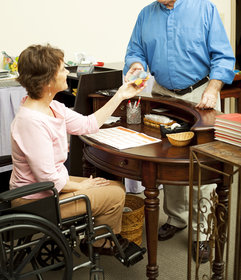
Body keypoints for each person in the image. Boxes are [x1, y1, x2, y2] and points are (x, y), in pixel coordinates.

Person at [124, 0, 235, 263]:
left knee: (200, 164)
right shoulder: (145, 16)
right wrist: (136, 64)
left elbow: (223, 57)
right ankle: (176, 217)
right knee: (169, 160)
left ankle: (201, 232)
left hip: (200, 95)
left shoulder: (205, 9)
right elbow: (135, 50)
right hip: (162, 96)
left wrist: (213, 89)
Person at [10, 44, 146, 256]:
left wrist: (120, 95)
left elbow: (87, 125)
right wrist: (81, 188)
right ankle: (100, 244)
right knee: (116, 193)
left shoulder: (52, 107)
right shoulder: (31, 122)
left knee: (111, 185)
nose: (67, 72)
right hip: (38, 202)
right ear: (47, 81)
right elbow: (49, 179)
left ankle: (99, 238)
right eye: (62, 69)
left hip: (50, 190)